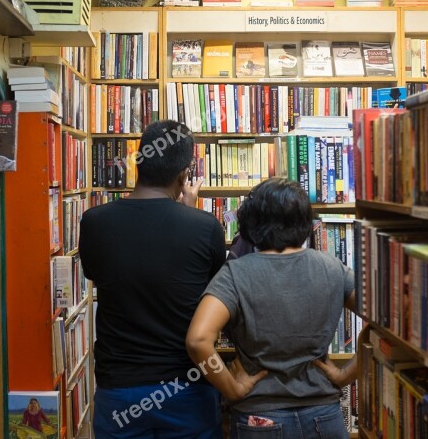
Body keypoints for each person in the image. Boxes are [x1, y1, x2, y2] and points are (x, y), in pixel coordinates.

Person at [79, 120, 227, 438]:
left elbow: (98, 273)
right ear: (184, 174)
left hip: (119, 389)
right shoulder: (206, 227)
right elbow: (212, 292)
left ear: (139, 162)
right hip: (187, 387)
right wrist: (188, 210)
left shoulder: (94, 222)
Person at [186, 177, 361, 439]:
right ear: (304, 222)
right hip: (325, 416)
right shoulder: (332, 267)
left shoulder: (236, 273)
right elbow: (384, 320)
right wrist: (347, 374)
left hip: (260, 418)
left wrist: (232, 389)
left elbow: (198, 340)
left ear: (250, 223)